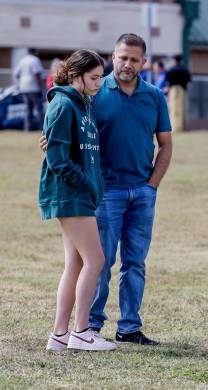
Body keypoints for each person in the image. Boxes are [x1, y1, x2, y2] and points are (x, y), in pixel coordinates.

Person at [40, 33, 172, 346]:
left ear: (143, 62)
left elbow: (166, 144)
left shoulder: (154, 96)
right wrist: (50, 144)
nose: (127, 64)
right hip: (102, 193)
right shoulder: (92, 92)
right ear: (113, 57)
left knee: (133, 263)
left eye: (134, 59)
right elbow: (63, 132)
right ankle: (89, 328)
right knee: (98, 262)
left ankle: (127, 329)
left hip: (141, 191)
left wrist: (152, 186)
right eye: (121, 57)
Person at [40, 49, 116, 352]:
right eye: (94, 77)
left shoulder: (83, 104)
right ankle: (82, 332)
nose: (99, 83)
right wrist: (88, 185)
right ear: (75, 75)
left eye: (101, 77)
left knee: (75, 263)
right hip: (69, 194)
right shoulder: (62, 104)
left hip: (80, 194)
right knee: (95, 260)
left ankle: (59, 336)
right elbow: (58, 160)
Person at [13, 48, 44, 131]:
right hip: (33, 88)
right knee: (39, 109)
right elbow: (37, 74)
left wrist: (22, 80)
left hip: (24, 88)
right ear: (34, 52)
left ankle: (27, 128)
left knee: (28, 109)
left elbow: (16, 74)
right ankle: (42, 128)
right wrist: (40, 88)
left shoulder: (22, 60)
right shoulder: (35, 60)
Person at [164, 55, 191, 132]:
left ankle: (174, 128)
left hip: (173, 90)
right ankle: (181, 127)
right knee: (182, 108)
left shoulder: (171, 70)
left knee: (173, 109)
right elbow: (188, 81)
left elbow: (167, 83)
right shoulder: (185, 70)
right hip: (182, 90)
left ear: (174, 61)